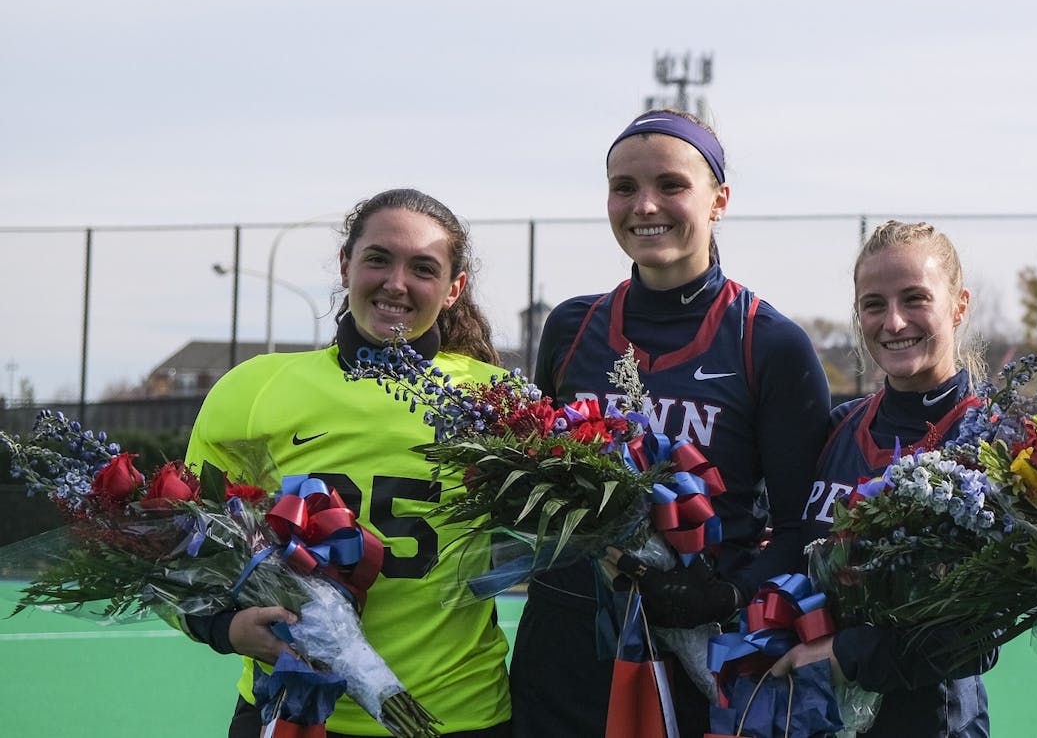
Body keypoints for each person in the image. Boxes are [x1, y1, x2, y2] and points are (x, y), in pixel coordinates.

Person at [506, 109, 831, 737]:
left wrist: (726, 594)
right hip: (566, 651)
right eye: (624, 187)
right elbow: (533, 486)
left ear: (719, 201)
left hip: (700, 657)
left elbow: (802, 528)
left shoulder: (770, 342)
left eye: (671, 185)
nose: (644, 204)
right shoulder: (572, 329)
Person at [184, 188, 513, 737]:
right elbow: (182, 546)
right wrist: (224, 627)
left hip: (457, 716)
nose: (395, 283)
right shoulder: (253, 390)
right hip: (292, 707)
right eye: (378, 259)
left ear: (454, 289)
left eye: (423, 268)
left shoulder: (499, 403)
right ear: (345, 265)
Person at [773, 220, 993, 736]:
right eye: (874, 304)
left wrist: (847, 654)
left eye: (915, 299)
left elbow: (981, 632)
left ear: (959, 305)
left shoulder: (992, 443)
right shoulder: (838, 426)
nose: (893, 322)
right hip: (813, 714)